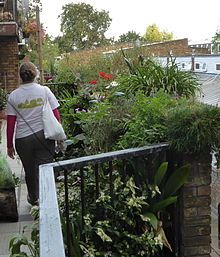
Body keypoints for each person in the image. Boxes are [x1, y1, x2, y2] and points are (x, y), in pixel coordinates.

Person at [6, 62, 61, 205]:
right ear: (35, 74)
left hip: (22, 140)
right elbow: (55, 114)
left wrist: (9, 145)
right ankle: (47, 198)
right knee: (45, 169)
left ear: (20, 77)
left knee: (30, 171)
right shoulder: (44, 91)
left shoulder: (13, 96)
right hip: (44, 136)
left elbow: (11, 123)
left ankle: (34, 197)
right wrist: (59, 134)